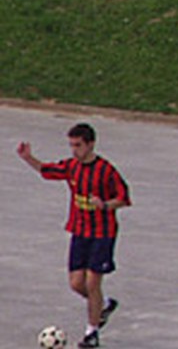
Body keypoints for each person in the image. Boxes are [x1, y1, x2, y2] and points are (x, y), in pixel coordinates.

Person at [17, 123, 131, 348]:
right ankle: (104, 305)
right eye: (71, 145)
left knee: (92, 282)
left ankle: (92, 333)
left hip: (102, 233)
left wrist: (105, 205)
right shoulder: (72, 167)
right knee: (76, 284)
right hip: (80, 230)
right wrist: (28, 158)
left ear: (90, 144)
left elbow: (124, 197)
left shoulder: (106, 170)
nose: (74, 150)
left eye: (78, 145)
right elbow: (47, 170)